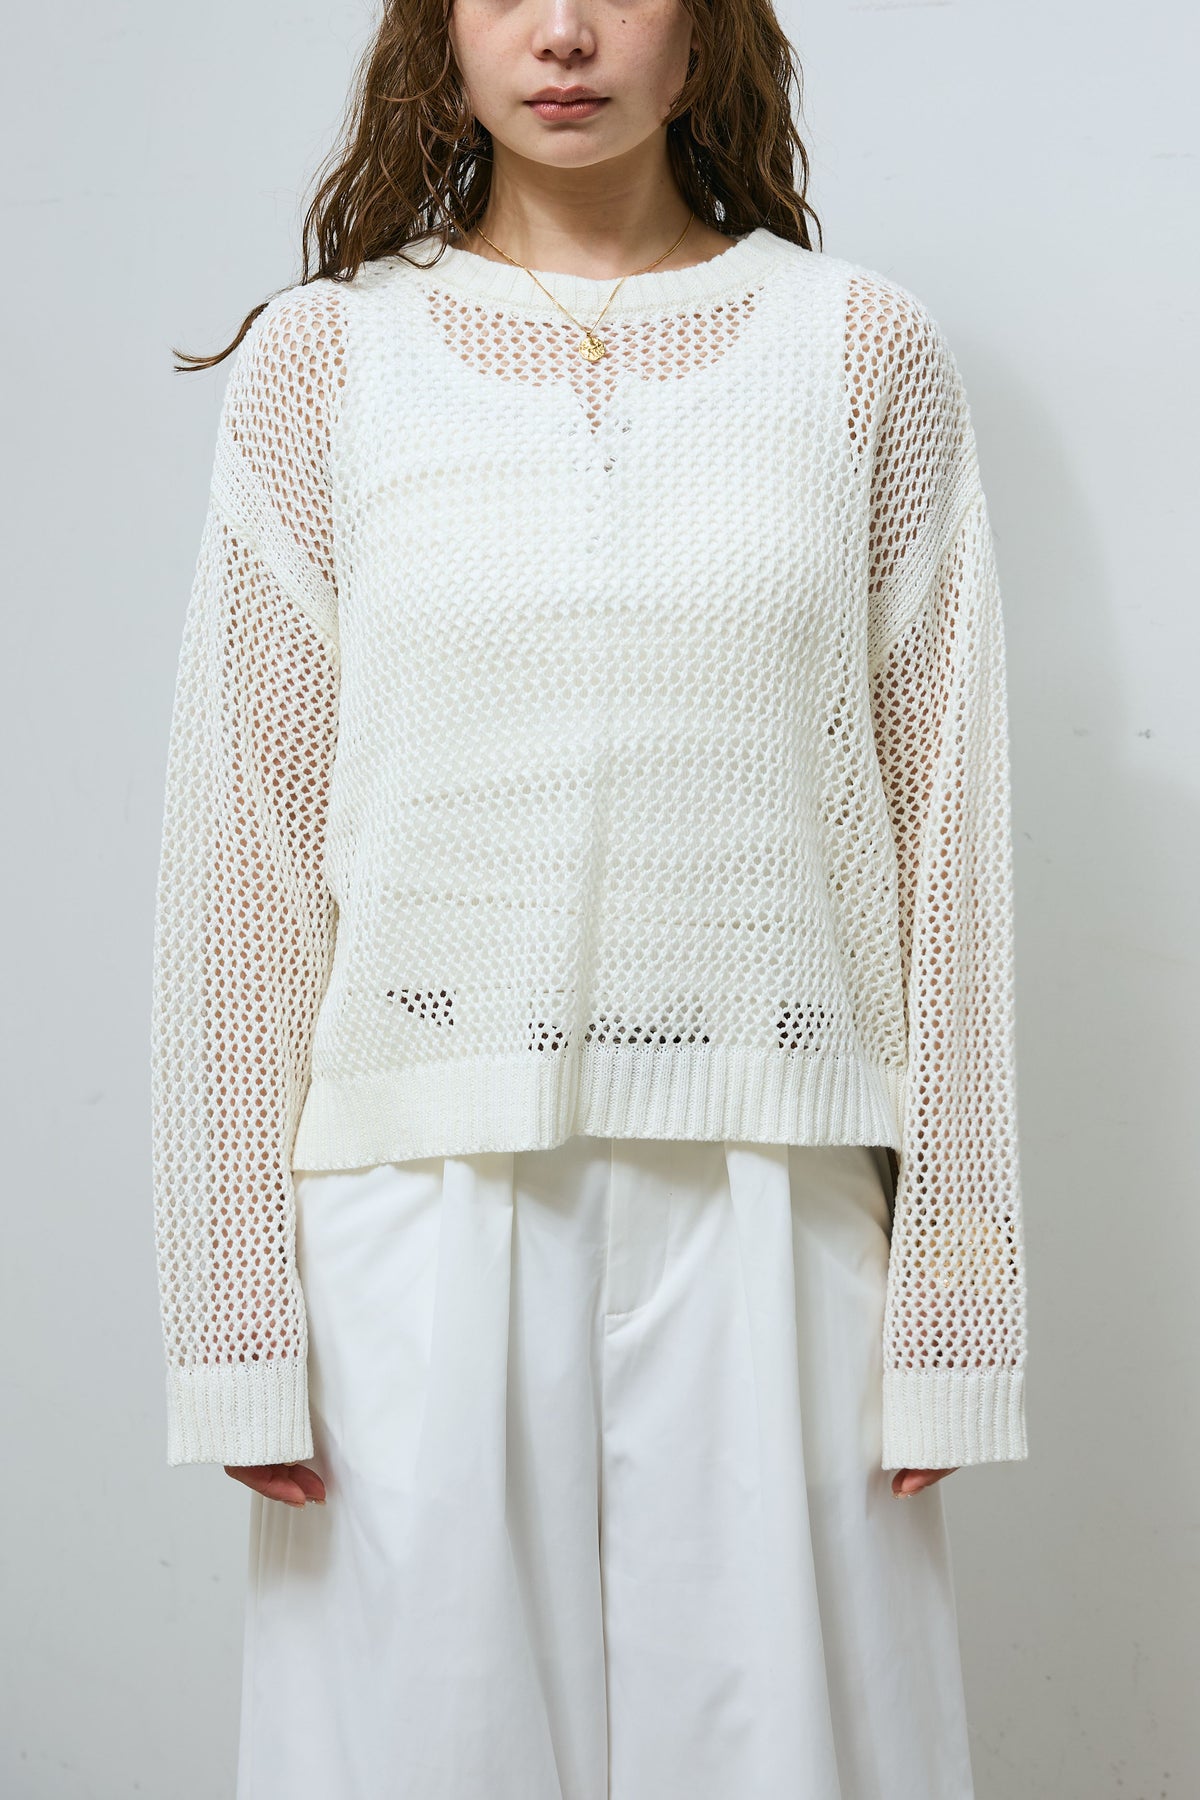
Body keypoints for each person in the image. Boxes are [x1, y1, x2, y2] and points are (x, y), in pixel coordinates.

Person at [150, 1, 1030, 1795]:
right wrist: (233, 1320)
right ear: (440, 32)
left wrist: (957, 1300)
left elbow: (948, 841)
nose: (562, 33)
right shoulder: (328, 364)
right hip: (415, 1196)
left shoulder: (857, 351)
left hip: (774, 1191)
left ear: (706, 36)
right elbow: (242, 857)